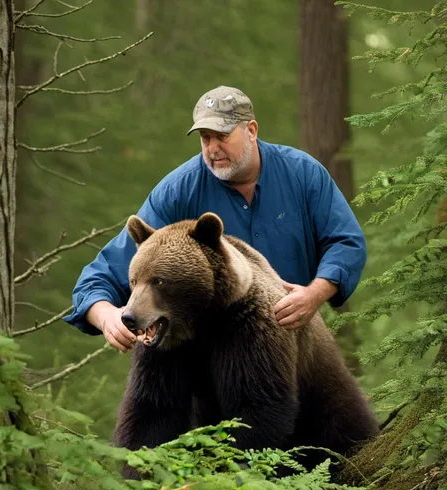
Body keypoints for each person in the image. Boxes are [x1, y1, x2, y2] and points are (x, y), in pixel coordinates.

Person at [64, 86, 367, 353]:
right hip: (205, 359)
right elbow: (101, 276)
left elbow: (346, 242)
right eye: (205, 138)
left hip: (296, 346)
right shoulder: (178, 191)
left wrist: (315, 294)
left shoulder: (302, 174)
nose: (212, 148)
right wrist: (106, 317)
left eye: (222, 136)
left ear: (252, 130)